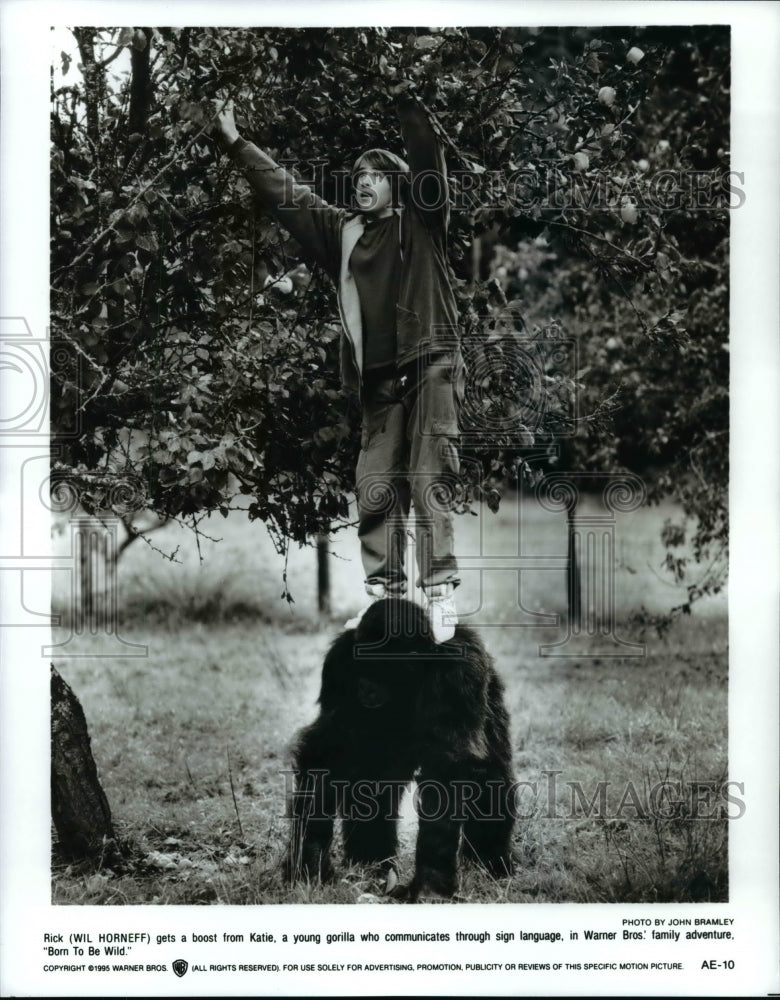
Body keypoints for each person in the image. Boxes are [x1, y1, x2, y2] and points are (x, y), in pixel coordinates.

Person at [212, 89, 465, 642]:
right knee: (374, 483)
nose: (362, 180)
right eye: (357, 174)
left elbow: (428, 158)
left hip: (431, 363)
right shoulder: (344, 233)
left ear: (398, 186)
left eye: (374, 174)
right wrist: (237, 144)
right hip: (380, 381)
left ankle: (441, 597)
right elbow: (289, 195)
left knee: (428, 475)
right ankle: (388, 602)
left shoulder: (423, 221)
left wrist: (407, 100)